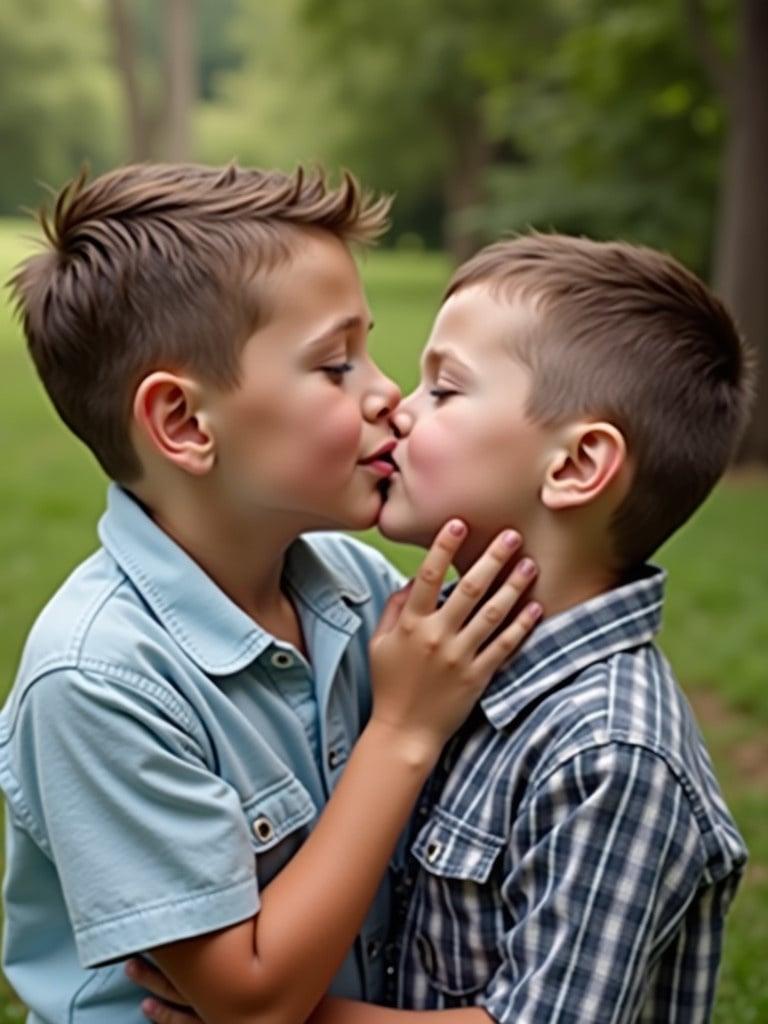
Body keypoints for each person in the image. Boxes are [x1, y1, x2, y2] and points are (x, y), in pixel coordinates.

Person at [134, 233, 752, 1024]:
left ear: (574, 466)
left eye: (446, 390)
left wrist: (271, 1013)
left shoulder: (613, 757)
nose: (398, 404)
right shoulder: (446, 654)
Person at [0, 164, 541, 1024]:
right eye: (335, 366)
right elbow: (253, 1005)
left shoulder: (358, 589)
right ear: (182, 423)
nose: (387, 395)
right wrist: (401, 728)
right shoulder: (98, 679)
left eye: (367, 349)